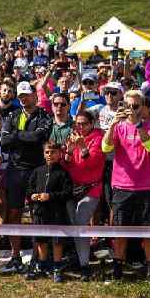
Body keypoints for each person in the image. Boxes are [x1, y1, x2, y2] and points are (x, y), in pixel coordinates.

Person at [102, 90, 150, 286]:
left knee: (149, 231)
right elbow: (106, 148)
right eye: (128, 106)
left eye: (136, 106)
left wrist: (138, 125)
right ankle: (118, 270)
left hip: (147, 187)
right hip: (122, 186)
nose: (132, 110)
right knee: (120, 231)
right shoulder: (118, 127)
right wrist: (112, 125)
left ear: (143, 107)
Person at [0, 81, 52, 271]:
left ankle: (38, 256)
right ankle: (15, 255)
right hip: (15, 170)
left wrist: (17, 135)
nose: (23, 98)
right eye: (20, 95)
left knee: (37, 212)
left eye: (26, 95)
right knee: (14, 212)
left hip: (37, 170)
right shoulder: (12, 115)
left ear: (34, 96)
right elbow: (4, 141)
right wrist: (25, 136)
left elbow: (39, 138)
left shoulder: (44, 116)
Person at [62, 111, 105, 281]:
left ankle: (84, 265)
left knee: (80, 223)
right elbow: (66, 164)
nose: (80, 127)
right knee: (74, 225)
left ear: (91, 123)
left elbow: (92, 163)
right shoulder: (74, 137)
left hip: (91, 189)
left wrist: (82, 147)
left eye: (84, 123)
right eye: (78, 124)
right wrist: (69, 152)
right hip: (74, 189)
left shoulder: (98, 138)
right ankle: (79, 258)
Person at [26, 141, 73, 282]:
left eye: (53, 152)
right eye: (47, 152)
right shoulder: (37, 171)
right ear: (43, 154)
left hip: (57, 212)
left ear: (59, 154)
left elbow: (68, 193)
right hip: (40, 211)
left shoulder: (63, 173)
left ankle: (57, 267)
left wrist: (51, 196)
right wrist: (32, 195)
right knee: (41, 240)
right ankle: (42, 265)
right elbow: (29, 188)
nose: (50, 155)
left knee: (57, 241)